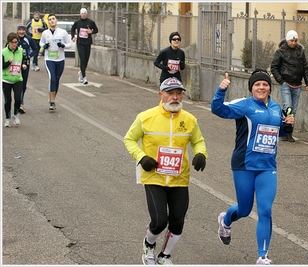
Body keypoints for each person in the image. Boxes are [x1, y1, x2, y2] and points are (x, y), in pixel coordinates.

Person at [211, 70, 294, 265]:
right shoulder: (244, 105)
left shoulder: (275, 108)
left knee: (265, 210)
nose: (261, 87)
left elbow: (279, 132)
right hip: (244, 165)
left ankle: (262, 256)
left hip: (267, 167)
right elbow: (218, 109)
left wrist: (288, 126)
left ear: (269, 88)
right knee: (245, 209)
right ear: (251, 88)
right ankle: (225, 220)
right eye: (257, 85)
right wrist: (221, 91)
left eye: (265, 84)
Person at [124, 77, 208, 265]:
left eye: (178, 93)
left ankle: (165, 255)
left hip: (179, 178)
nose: (175, 97)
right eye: (170, 93)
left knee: (177, 222)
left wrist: (201, 154)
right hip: (154, 177)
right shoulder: (145, 117)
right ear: (161, 95)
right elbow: (129, 139)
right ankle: (148, 244)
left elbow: (198, 141)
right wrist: (141, 157)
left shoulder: (190, 120)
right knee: (160, 221)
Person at [270, 29, 308, 142]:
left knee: (293, 109)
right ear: (288, 40)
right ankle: (285, 131)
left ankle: (289, 132)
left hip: (297, 84)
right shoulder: (281, 52)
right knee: (287, 107)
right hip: (286, 83)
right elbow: (274, 67)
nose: (293, 43)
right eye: (292, 41)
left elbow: (305, 68)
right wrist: (281, 80)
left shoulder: (300, 52)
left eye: (295, 41)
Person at [39, 13, 73, 111]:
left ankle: (52, 98)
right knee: (52, 78)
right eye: (50, 19)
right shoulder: (45, 33)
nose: (52, 21)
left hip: (60, 59)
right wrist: (44, 45)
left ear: (56, 20)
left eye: (53, 19)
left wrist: (63, 45)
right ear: (48, 22)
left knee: (57, 80)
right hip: (49, 59)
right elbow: (41, 42)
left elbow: (69, 44)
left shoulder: (63, 32)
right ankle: (52, 101)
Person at [2, 32, 28, 127]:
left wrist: (24, 64)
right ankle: (8, 119)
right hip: (6, 80)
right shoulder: (3, 52)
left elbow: (25, 59)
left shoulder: (20, 50)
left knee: (18, 99)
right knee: (7, 100)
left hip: (18, 79)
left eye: (16, 42)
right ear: (8, 42)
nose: (14, 44)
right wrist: (8, 62)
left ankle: (16, 115)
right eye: (12, 42)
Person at [71, 8, 98, 85]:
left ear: (87, 14)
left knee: (86, 60)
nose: (84, 14)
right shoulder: (77, 22)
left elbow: (96, 30)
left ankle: (81, 72)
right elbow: (72, 29)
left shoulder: (90, 22)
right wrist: (73, 37)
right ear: (80, 14)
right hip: (80, 43)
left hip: (88, 43)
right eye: (82, 13)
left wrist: (91, 31)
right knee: (82, 59)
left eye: (85, 13)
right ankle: (84, 77)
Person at [16, 24, 38, 113]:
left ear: (25, 30)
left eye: (23, 30)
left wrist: (29, 56)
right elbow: (7, 48)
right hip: (15, 65)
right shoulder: (13, 38)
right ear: (17, 30)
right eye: (19, 30)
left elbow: (35, 49)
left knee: (23, 84)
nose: (21, 31)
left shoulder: (28, 39)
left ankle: (20, 103)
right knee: (14, 84)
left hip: (25, 65)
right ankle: (16, 101)